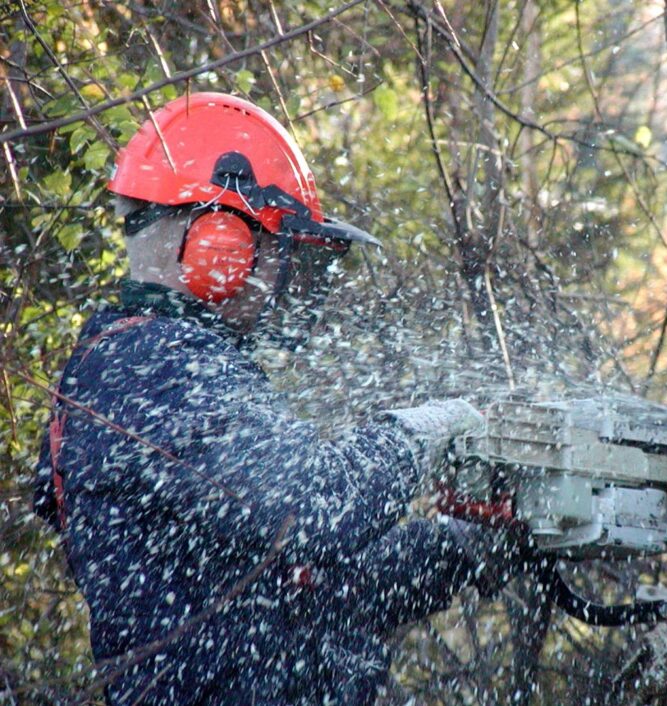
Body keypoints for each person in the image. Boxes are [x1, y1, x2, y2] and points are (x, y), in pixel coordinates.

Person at [34, 92, 530, 706]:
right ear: (220, 243)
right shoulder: (154, 368)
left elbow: (314, 590)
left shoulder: (151, 366)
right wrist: (420, 430)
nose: (283, 279)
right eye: (274, 251)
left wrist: (466, 544)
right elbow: (321, 508)